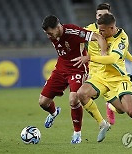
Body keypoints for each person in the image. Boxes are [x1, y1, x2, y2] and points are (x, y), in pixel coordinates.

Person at [73, 13, 132, 138]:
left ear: (112, 28)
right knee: (81, 93)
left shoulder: (121, 38)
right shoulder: (100, 33)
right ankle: (102, 123)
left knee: (130, 112)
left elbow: (113, 59)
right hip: (101, 76)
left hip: (119, 79)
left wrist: (89, 57)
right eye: (99, 30)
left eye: (102, 30)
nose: (100, 33)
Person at [39, 15, 110, 144]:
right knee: (43, 102)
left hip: (77, 69)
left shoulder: (73, 31)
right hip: (60, 69)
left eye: (50, 33)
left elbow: (99, 37)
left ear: (58, 27)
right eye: (47, 33)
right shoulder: (52, 35)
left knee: (73, 99)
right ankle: (54, 113)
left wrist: (103, 55)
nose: (49, 36)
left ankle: (77, 134)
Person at [84, 3, 132, 127]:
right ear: (96, 16)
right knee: (127, 107)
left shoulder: (109, 31)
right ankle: (107, 114)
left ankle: (111, 107)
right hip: (98, 75)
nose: (102, 17)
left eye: (105, 15)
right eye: (100, 15)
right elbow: (77, 40)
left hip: (116, 72)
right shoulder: (89, 30)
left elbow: (120, 50)